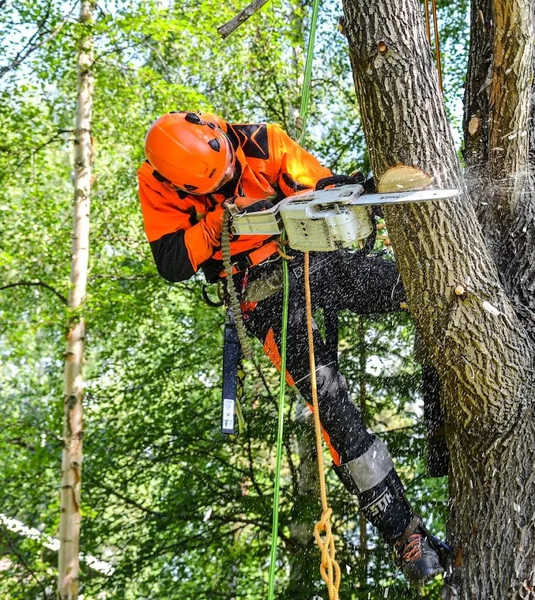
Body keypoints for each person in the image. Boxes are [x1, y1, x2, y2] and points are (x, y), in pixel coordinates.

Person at [137, 111, 446, 584]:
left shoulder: (262, 141)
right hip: (263, 297)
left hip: (314, 260)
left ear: (217, 134)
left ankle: (444, 426)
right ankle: (403, 531)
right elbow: (172, 261)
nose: (227, 177)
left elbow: (319, 184)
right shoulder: (159, 183)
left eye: (226, 169)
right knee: (332, 409)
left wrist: (333, 196)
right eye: (214, 183)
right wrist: (221, 221)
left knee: (425, 291)